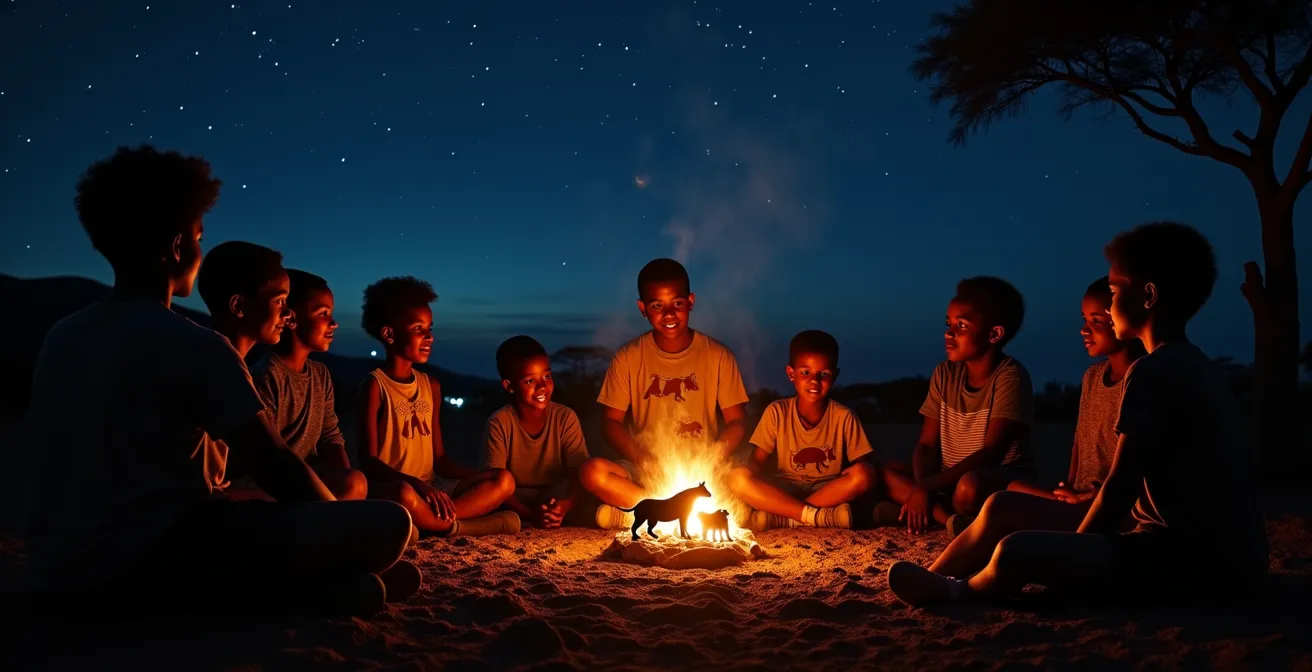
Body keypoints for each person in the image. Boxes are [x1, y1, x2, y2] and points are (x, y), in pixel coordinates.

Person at [21, 145, 417, 616]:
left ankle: (327, 589)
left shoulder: (62, 336)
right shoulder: (195, 345)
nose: (199, 250)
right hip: (149, 555)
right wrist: (342, 528)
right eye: (198, 236)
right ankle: (309, 586)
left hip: (56, 568)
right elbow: (276, 466)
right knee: (388, 522)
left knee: (343, 564)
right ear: (176, 247)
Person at [888, 222, 1269, 607]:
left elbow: (1119, 489)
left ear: (1148, 296)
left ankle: (957, 592)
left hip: (1192, 561)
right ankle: (934, 576)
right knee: (1001, 505)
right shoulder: (1194, 366)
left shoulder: (1154, 372)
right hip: (1215, 557)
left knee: (1016, 550)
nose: (1109, 302)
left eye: (1115, 292)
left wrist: (1073, 554)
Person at [912, 277, 1143, 583]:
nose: (1084, 329)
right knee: (1008, 496)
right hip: (1076, 498)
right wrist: (1070, 487)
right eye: (1084, 320)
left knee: (1002, 511)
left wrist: (1091, 494)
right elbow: (1079, 445)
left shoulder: (1143, 379)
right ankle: (938, 575)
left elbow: (1139, 464)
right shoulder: (1092, 377)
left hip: (1110, 506)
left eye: (1097, 320)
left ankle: (940, 580)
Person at [592, 258, 751, 529]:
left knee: (745, 481)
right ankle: (661, 511)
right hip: (645, 469)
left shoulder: (718, 355)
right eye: (657, 306)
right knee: (593, 472)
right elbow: (610, 422)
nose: (668, 314)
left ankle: (633, 516)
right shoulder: (628, 357)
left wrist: (713, 456)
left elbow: (737, 422)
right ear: (643, 308)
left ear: (690, 302)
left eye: (677, 304)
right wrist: (643, 458)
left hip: (704, 469)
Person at [357, 276, 520, 536]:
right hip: (399, 489)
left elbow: (440, 460)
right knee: (403, 495)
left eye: (430, 328)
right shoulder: (375, 385)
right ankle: (462, 526)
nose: (429, 337)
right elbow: (369, 462)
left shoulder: (430, 385)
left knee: (503, 479)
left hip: (434, 487)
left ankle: (426, 523)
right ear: (389, 334)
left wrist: (480, 477)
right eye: (418, 329)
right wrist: (417, 486)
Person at [874, 276, 1036, 537]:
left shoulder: (1010, 377)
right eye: (948, 324)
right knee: (882, 471)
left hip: (992, 478)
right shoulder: (945, 373)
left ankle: (916, 508)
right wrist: (923, 486)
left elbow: (989, 454)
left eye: (961, 326)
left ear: (994, 333)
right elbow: (926, 445)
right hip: (946, 476)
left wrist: (923, 487)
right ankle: (946, 518)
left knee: (968, 489)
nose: (949, 333)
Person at [727, 330, 875, 530]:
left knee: (865, 474)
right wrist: (747, 472)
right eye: (806, 372)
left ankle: (787, 518)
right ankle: (819, 517)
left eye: (824, 374)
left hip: (828, 491)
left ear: (835, 376)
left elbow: (862, 467)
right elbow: (757, 461)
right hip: (784, 490)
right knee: (737, 477)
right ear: (791, 374)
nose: (814, 381)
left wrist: (858, 472)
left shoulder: (844, 417)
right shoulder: (777, 412)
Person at [483, 335, 631, 528]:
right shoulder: (499, 422)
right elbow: (496, 480)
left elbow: (578, 471)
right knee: (496, 502)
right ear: (509, 386)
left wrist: (565, 505)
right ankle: (543, 517)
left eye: (547, 376)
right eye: (529, 381)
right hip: (517, 499)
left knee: (586, 492)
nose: (542, 386)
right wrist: (531, 514)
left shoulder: (565, 417)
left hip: (558, 494)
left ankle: (606, 516)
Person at [250, 269, 368, 501]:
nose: (333, 323)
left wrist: (345, 475)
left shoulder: (320, 374)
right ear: (291, 318)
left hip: (312, 481)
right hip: (275, 486)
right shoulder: (267, 375)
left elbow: (330, 436)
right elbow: (266, 456)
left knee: (354, 482)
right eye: (323, 314)